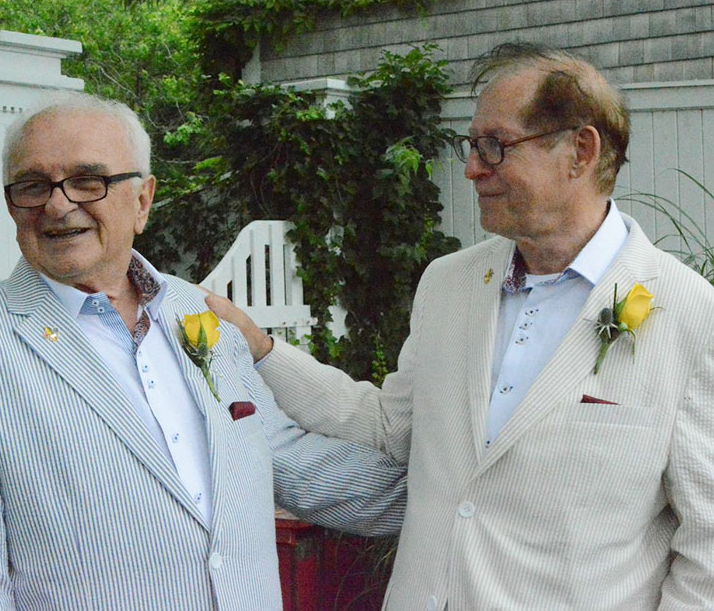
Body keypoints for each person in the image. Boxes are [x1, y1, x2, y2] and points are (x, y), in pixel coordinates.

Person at [207, 43, 714, 610]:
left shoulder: (690, 314)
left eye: (494, 147)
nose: (472, 168)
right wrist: (261, 347)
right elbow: (387, 426)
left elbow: (709, 546)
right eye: (472, 146)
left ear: (580, 150)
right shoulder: (449, 285)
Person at [0, 92, 408, 610]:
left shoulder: (197, 314)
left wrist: (458, 492)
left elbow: (283, 457)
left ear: (143, 200)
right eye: (33, 186)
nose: (57, 204)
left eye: (87, 180)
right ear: (12, 205)